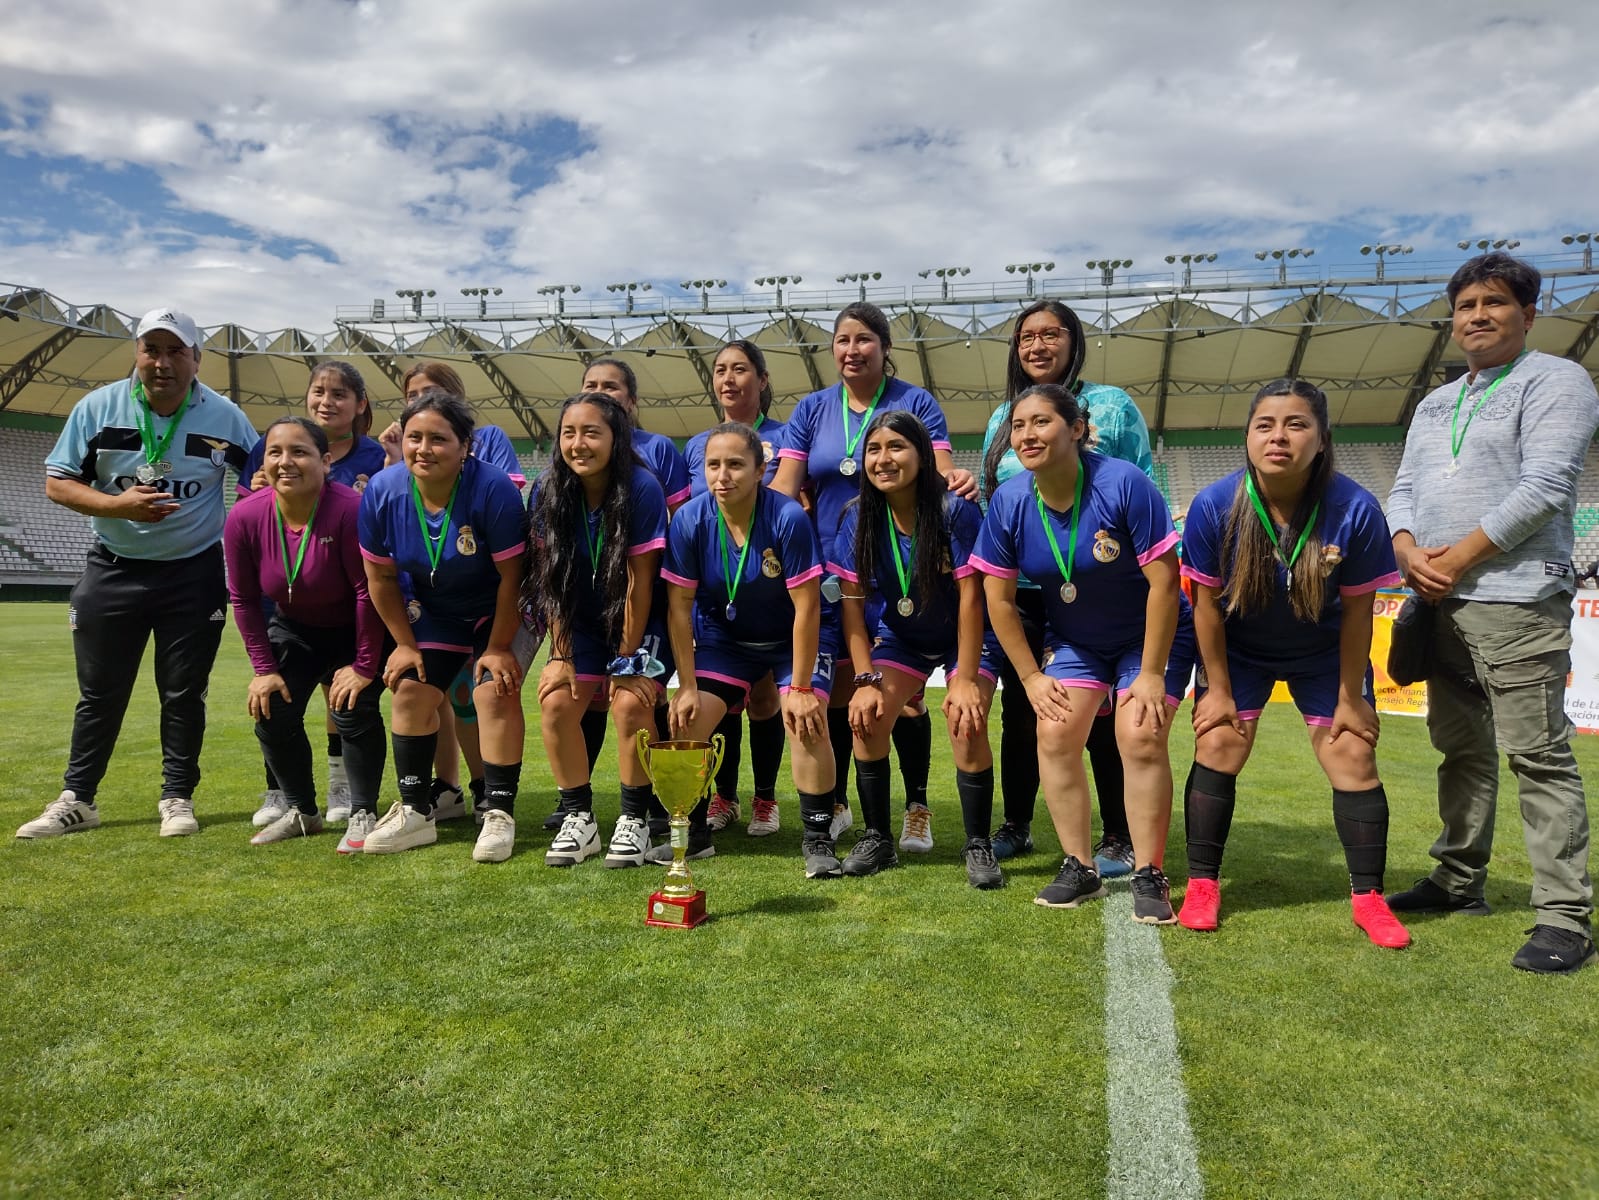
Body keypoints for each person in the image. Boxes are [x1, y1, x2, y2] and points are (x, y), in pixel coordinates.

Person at [1385, 251, 1599, 973]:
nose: (1477, 316)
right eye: (1466, 306)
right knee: (1460, 749)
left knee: (1537, 755)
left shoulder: (1557, 380)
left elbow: (1546, 486)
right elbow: (1404, 486)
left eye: (1494, 303)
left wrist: (1456, 558)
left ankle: (1564, 917)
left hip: (1516, 599)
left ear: (1528, 314)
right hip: (1437, 600)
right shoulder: (1434, 403)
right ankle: (1456, 879)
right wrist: (1406, 548)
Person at [1176, 380, 1410, 948]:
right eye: (1265, 425)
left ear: (1322, 440)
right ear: (1247, 437)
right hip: (1240, 649)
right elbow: (1205, 607)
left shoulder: (1355, 507)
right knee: (1219, 742)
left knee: (1352, 752)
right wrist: (1218, 690)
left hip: (1324, 652)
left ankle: (1369, 898)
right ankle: (1202, 885)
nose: (1278, 436)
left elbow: (1358, 614)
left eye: (1296, 424)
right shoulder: (1214, 504)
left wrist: (1351, 698)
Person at [20, 309, 257, 840]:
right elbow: (57, 483)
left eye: (176, 351)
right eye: (152, 349)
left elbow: (259, 480)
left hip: (193, 573)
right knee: (100, 693)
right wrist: (117, 505)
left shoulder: (225, 417)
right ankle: (78, 799)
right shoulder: (98, 407)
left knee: (184, 693)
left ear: (197, 359)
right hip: (113, 567)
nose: (162, 363)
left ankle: (177, 797)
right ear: (137, 354)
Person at [973, 384, 1192, 923]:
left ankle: (1150, 872)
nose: (1027, 435)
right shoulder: (1010, 500)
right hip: (1077, 642)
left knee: (1139, 735)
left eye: (1041, 422)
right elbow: (998, 600)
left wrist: (1151, 673)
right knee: (1054, 732)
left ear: (1076, 429)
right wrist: (1030, 677)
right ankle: (1079, 867)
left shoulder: (1124, 483)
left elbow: (1165, 585)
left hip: (1149, 637)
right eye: (1018, 426)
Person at [772, 302, 976, 853]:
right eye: (842, 340)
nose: (852, 349)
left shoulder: (915, 402)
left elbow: (939, 473)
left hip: (904, 569)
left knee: (904, 700)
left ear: (885, 348)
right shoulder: (813, 409)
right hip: (832, 568)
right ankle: (842, 804)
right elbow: (784, 489)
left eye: (864, 339)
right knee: (848, 690)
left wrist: (958, 482)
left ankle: (916, 807)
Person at [979, 300, 1154, 878]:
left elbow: (1140, 484)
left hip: (1100, 583)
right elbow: (994, 494)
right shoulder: (1002, 416)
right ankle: (1018, 822)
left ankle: (1119, 833)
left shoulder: (1113, 406)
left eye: (1050, 334)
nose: (1037, 346)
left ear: (1075, 341)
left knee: (1104, 714)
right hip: (1028, 585)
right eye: (1026, 337)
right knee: (1024, 707)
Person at [663, 422, 842, 877]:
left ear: (761, 470)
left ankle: (818, 839)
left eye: (736, 464)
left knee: (805, 720)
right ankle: (694, 834)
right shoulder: (689, 519)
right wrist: (686, 685)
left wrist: (801, 688)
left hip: (792, 638)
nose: (722, 476)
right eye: (713, 465)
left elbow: (807, 608)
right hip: (727, 641)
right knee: (688, 719)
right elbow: (679, 608)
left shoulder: (787, 517)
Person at [358, 389, 528, 862]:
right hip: (435, 610)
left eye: (438, 439)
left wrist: (498, 647)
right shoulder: (383, 490)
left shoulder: (492, 488)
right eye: (414, 437)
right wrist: (404, 644)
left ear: (465, 446)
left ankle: (498, 811)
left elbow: (513, 578)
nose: (423, 449)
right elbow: (380, 578)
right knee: (409, 689)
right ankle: (416, 811)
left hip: (497, 607)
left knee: (493, 690)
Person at [832, 411, 1001, 888]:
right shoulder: (857, 517)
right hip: (902, 637)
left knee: (966, 719)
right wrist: (865, 680)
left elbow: (972, 599)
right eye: (874, 449)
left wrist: (964, 679)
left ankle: (978, 843)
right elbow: (852, 607)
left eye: (896, 447)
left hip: (965, 636)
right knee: (867, 717)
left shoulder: (954, 511)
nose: (883, 459)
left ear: (922, 456)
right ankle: (878, 837)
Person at [224, 417, 387, 851]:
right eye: (275, 452)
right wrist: (263, 669)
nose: (285, 462)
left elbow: (368, 592)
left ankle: (363, 812)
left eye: (299, 451)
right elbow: (243, 599)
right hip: (294, 627)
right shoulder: (244, 516)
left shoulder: (350, 509)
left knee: (352, 707)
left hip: (354, 627)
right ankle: (302, 811)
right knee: (271, 707)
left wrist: (364, 666)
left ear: (326, 461)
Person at [527, 391, 673, 869]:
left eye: (591, 433)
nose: (578, 443)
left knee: (630, 703)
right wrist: (561, 654)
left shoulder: (642, 488)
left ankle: (634, 820)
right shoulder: (548, 489)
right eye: (569, 433)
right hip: (582, 625)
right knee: (556, 703)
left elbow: (639, 583)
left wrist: (626, 661)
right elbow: (551, 580)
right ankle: (579, 817)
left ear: (616, 438)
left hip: (643, 624)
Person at [684, 340, 789, 839]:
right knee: (719, 698)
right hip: (715, 598)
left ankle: (765, 798)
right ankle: (723, 796)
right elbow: (688, 515)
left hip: (771, 589)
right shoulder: (695, 444)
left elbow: (798, 503)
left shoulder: (786, 437)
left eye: (741, 369)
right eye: (720, 369)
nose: (729, 378)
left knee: (765, 699)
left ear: (762, 380)